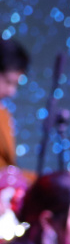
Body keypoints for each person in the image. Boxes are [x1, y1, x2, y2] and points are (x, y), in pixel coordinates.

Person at [0, 39, 28, 168]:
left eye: (15, 84)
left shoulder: (4, 115)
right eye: (8, 82)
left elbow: (9, 171)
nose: (12, 92)